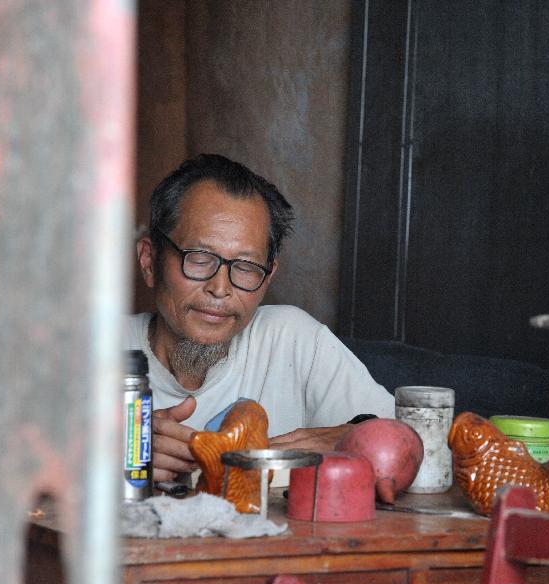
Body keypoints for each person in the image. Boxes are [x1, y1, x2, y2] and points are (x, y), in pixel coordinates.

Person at [125, 154, 394, 483]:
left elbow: (424, 449)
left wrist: (354, 438)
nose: (220, 288)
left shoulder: (293, 340)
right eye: (198, 259)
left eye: (245, 267)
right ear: (150, 260)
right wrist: (105, 459)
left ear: (267, 278)